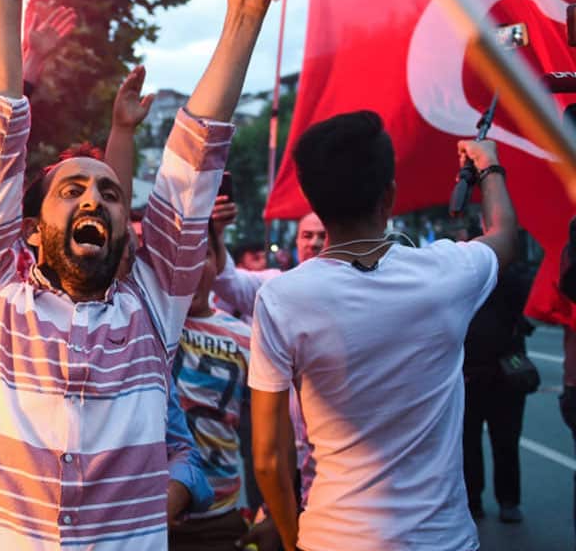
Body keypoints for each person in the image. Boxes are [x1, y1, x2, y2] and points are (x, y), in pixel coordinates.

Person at [0, 0, 269, 549]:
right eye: (71, 190)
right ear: (28, 229)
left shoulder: (150, 309)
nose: (94, 197)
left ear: (128, 230)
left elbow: (191, 161)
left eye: (110, 192)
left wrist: (243, 17)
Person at [249, 111, 517, 551]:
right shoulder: (446, 273)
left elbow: (268, 459)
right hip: (442, 540)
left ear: (312, 200)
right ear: (388, 195)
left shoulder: (282, 299)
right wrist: (487, 165)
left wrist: (294, 538)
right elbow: (504, 235)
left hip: (331, 537)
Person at [169, 221, 253, 550]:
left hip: (220, 518)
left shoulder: (247, 339)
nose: (189, 263)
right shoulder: (143, 322)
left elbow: (265, 436)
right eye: (178, 253)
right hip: (148, 513)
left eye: (201, 253)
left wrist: (272, 513)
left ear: (218, 261)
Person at [462, 246, 535, 523]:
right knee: (502, 441)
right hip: (499, 371)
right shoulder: (518, 276)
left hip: (480, 372)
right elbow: (531, 320)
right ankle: (505, 501)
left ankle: (476, 501)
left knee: (473, 442)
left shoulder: (466, 280)